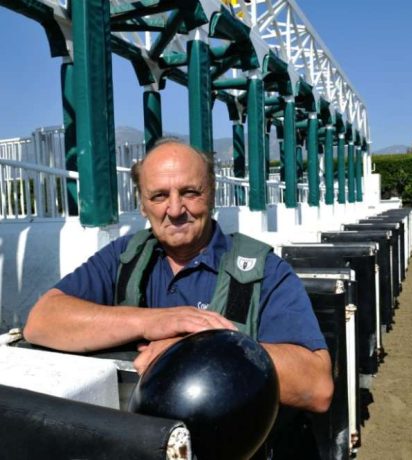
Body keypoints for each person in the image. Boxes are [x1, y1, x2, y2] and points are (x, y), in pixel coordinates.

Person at [24, 138, 333, 413]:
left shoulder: (263, 270)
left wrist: (195, 350)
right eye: (158, 196)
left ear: (211, 194)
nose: (174, 209)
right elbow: (41, 321)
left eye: (189, 193)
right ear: (142, 204)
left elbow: (317, 387)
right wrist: (153, 321)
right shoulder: (123, 257)